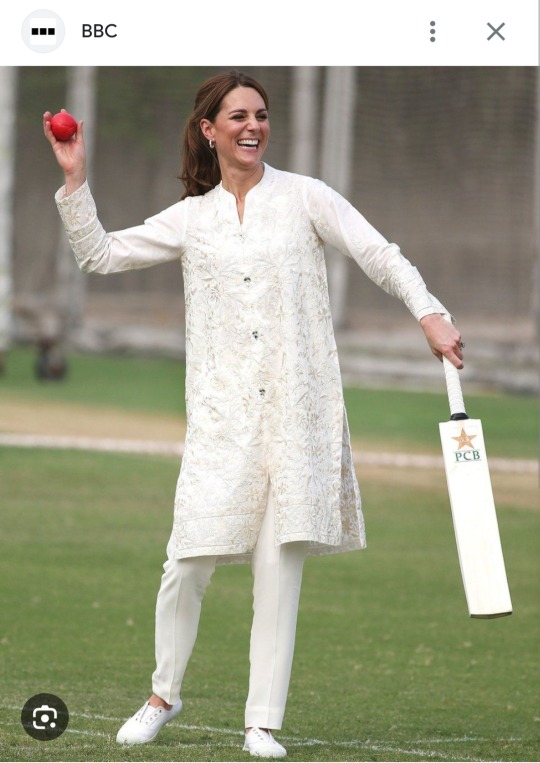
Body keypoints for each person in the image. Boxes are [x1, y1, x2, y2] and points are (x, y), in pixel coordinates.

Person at [44, 70, 463, 758]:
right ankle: (163, 695)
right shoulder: (192, 218)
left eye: (261, 115)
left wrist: (429, 312)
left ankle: (260, 722)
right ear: (209, 130)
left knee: (279, 571)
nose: (253, 126)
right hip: (222, 420)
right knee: (185, 564)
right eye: (238, 116)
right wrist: (75, 178)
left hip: (299, 415)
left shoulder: (306, 197)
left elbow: (377, 253)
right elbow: (99, 254)